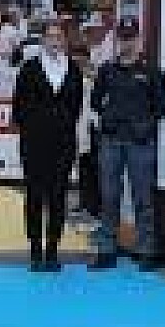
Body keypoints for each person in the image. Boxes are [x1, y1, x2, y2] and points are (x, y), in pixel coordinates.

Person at [89, 17, 165, 271]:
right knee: (109, 197)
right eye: (123, 38)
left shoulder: (151, 71)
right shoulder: (107, 70)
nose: (127, 43)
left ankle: (146, 250)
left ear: (139, 39)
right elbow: (94, 101)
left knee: (142, 198)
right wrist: (109, 118)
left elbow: (163, 106)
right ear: (117, 40)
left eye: (131, 38)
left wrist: (145, 125)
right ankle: (106, 249)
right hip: (111, 141)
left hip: (140, 143)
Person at [12, 19, 83, 272]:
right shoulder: (29, 68)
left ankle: (52, 251)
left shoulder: (73, 69)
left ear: (64, 40)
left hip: (63, 142)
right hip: (33, 142)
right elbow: (18, 106)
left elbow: (76, 106)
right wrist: (33, 129)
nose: (55, 41)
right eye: (50, 36)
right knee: (34, 195)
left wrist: (62, 126)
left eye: (59, 37)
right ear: (43, 40)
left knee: (58, 196)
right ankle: (35, 251)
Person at [70, 39, 101, 227]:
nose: (77, 64)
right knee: (82, 168)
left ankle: (94, 208)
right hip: (78, 129)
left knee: (93, 170)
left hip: (93, 129)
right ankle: (84, 204)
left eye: (80, 60)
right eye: (74, 60)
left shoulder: (94, 77)